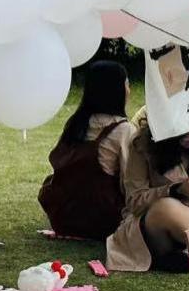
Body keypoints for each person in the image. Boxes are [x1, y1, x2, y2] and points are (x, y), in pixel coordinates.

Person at [106, 116, 189, 273]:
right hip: (157, 222)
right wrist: (175, 190)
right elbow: (135, 201)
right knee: (168, 209)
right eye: (187, 135)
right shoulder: (143, 144)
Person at [38, 61, 135, 240]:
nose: (129, 90)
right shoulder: (123, 130)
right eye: (127, 84)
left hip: (63, 216)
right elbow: (130, 183)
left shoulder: (76, 123)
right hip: (102, 219)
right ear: (118, 91)